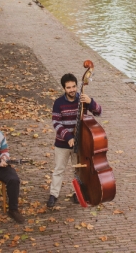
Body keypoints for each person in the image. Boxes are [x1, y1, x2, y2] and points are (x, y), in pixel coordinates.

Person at [47, 73, 102, 207]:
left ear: (77, 86)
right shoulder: (58, 103)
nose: (72, 90)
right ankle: (53, 194)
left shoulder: (83, 100)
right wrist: (68, 137)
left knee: (79, 171)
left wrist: (91, 102)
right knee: (59, 169)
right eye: (68, 88)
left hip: (81, 143)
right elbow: (56, 123)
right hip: (62, 143)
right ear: (64, 88)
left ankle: (78, 193)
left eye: (74, 87)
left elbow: (99, 112)